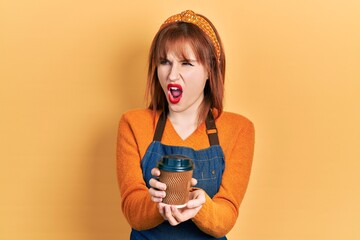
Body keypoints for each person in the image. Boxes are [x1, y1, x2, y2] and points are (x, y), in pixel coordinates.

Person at [117, 10, 255, 240]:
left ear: (210, 70)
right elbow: (133, 212)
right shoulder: (133, 124)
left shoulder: (239, 129)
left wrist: (200, 206)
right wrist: (159, 203)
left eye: (186, 63)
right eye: (164, 62)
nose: (172, 75)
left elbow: (226, 217)